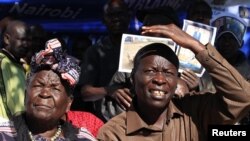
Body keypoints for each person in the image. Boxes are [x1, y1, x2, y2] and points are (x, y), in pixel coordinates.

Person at [97, 24, 250, 140]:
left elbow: (243, 97)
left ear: (177, 80)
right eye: (150, 71)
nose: (159, 79)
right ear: (132, 79)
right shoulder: (113, 132)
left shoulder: (194, 112)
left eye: (169, 73)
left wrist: (196, 46)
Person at [0, 38, 96, 141]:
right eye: (38, 86)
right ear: (25, 94)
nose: (45, 93)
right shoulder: (4, 135)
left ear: (69, 103)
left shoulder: (82, 138)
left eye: (55, 88)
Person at [78, 0, 131, 122]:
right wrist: (109, 91)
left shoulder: (141, 47)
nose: (116, 19)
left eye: (120, 14)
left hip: (140, 119)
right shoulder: (95, 51)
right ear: (103, 20)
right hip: (107, 122)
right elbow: (85, 93)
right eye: (111, 15)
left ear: (129, 16)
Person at [0, 20, 31, 120]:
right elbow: (16, 108)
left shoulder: (18, 64)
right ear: (7, 39)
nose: (26, 44)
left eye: (28, 40)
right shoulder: (4, 63)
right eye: (21, 40)